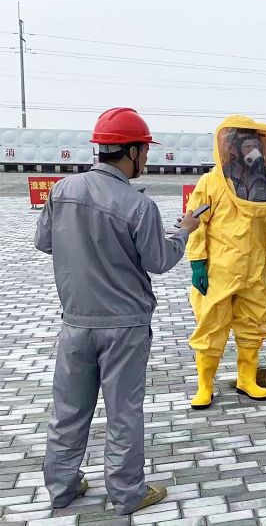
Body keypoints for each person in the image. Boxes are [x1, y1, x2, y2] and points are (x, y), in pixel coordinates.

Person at [34, 108, 201, 515]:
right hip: (124, 327)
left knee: (69, 409)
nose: (147, 157)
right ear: (131, 151)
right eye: (145, 150)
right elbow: (159, 260)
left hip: (76, 322)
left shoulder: (62, 190)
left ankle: (61, 487)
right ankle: (127, 493)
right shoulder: (138, 205)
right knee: (123, 412)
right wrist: (184, 231)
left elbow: (44, 242)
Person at [186, 116, 266, 410]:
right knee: (211, 326)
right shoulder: (212, 182)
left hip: (257, 267)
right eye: (248, 146)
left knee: (253, 323)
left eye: (256, 146)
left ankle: (247, 379)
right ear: (234, 149)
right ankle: (204, 385)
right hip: (220, 270)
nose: (254, 152)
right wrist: (197, 261)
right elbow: (196, 223)